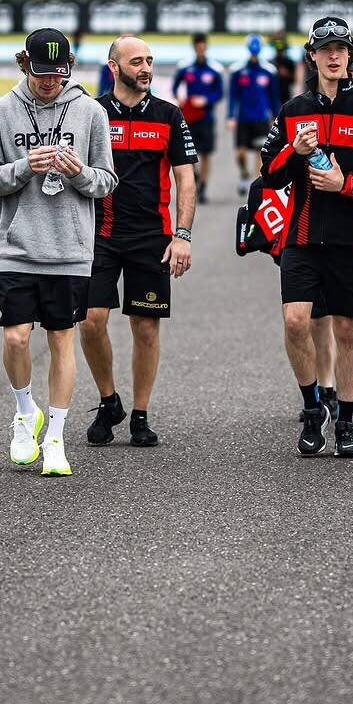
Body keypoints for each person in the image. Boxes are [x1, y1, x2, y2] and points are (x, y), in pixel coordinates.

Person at [0, 29, 117, 477]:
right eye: (41, 74)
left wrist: (79, 173)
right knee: (16, 337)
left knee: (61, 340)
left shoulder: (90, 111)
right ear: (24, 65)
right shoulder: (0, 111)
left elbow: (107, 181)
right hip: (16, 246)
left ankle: (54, 438)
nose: (50, 82)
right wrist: (22, 167)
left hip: (71, 248)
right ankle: (24, 413)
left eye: (59, 74)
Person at [260, 16, 353, 459]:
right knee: (296, 321)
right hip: (301, 235)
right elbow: (269, 175)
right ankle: (315, 409)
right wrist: (292, 152)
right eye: (325, 49)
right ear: (312, 56)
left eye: (342, 49)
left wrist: (346, 185)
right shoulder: (293, 110)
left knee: (348, 330)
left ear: (350, 55)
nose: (334, 56)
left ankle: (347, 423)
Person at [81, 34, 198, 448]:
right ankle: (108, 400)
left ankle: (140, 414)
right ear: (114, 67)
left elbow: (185, 178)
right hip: (98, 235)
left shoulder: (168, 115)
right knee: (91, 320)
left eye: (149, 60)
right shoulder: (90, 111)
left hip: (151, 236)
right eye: (136, 61)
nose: (145, 68)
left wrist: (182, 236)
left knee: (145, 327)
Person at [171, 34, 224, 204]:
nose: (201, 49)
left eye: (203, 46)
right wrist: (179, 97)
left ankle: (203, 186)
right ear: (194, 47)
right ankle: (195, 175)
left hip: (207, 116)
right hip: (189, 117)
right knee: (190, 152)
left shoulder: (214, 69)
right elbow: (175, 86)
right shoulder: (185, 68)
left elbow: (220, 92)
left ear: (206, 47)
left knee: (206, 153)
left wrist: (207, 100)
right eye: (198, 46)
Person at [228, 34, 280, 196]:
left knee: (260, 153)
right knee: (240, 153)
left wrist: (275, 117)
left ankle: (257, 187)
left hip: (261, 119)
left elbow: (274, 97)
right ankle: (244, 174)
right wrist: (231, 116)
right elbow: (233, 95)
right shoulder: (238, 71)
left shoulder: (269, 71)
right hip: (243, 118)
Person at [272, 36, 298, 107]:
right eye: (278, 50)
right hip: (275, 92)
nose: (279, 53)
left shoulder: (289, 62)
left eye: (281, 51)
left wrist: (286, 74)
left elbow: (294, 80)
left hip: (286, 91)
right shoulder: (271, 63)